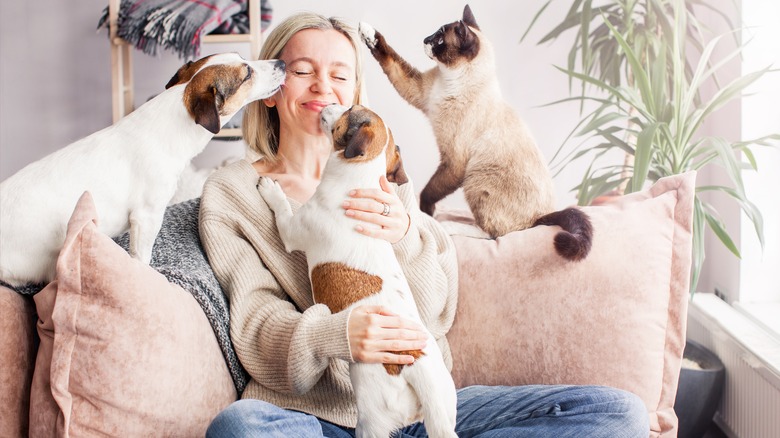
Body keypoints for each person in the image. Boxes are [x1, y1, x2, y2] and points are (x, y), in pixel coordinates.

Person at [199, 11, 649, 438]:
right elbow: (256, 332)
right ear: (274, 86)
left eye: (340, 74)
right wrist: (338, 334)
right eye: (302, 70)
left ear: (355, 92)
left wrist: (405, 233)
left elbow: (437, 308)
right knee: (239, 427)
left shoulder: (385, 172)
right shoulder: (233, 194)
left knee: (619, 414)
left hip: (425, 406)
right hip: (322, 420)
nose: (323, 85)